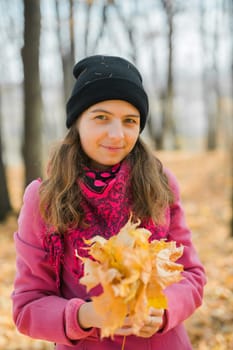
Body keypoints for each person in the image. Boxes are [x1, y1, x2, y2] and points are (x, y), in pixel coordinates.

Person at [12, 55, 206, 350]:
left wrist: (164, 309)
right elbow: (27, 306)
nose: (117, 135)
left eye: (130, 121)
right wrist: (85, 315)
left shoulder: (160, 184)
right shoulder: (44, 198)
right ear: (77, 121)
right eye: (101, 117)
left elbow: (191, 275)